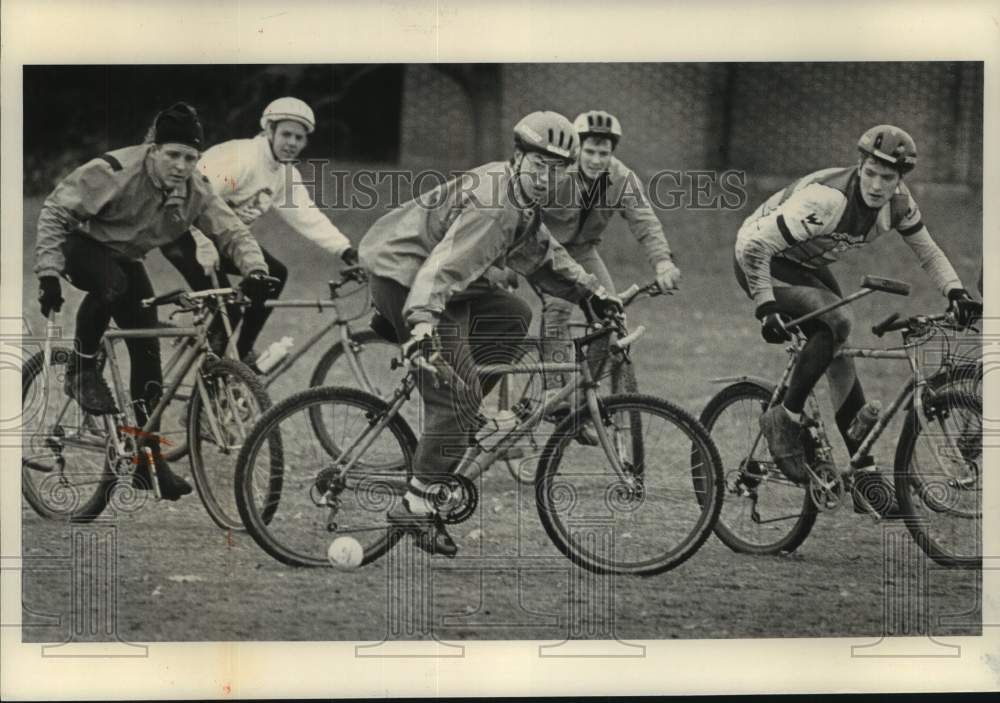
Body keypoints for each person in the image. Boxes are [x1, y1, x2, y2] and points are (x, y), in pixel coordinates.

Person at [359, 110, 621, 557]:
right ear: (518, 157)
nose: (546, 177)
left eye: (558, 169)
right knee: (456, 399)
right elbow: (442, 270)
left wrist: (590, 293)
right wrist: (422, 325)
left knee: (513, 315)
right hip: (405, 277)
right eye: (540, 164)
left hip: (445, 283)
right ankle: (417, 504)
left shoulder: (518, 195)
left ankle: (456, 422)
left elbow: (541, 251)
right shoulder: (495, 205)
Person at [734, 124, 982, 516]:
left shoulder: (899, 204)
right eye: (871, 173)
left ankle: (865, 480)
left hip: (803, 263)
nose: (878, 185)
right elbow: (755, 247)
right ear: (860, 166)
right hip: (761, 260)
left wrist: (956, 292)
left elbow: (928, 252)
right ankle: (784, 419)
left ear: (900, 179)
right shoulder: (828, 200)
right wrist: (766, 306)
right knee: (838, 320)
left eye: (888, 178)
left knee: (841, 353)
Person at [34, 102, 272, 500]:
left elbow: (231, 231)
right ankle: (81, 368)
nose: (181, 165)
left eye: (190, 157)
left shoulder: (195, 189)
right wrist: (48, 274)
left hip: (127, 258)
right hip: (84, 247)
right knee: (112, 286)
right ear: (154, 149)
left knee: (147, 354)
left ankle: (148, 455)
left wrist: (256, 269)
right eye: (173, 155)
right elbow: (57, 211)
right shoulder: (114, 171)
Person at [160, 97, 356, 364]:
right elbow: (192, 196)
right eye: (286, 134)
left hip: (223, 239)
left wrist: (345, 250)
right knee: (226, 306)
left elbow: (307, 215)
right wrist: (201, 242)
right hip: (182, 230)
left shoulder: (284, 173)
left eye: (299, 138)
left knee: (272, 275)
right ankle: (214, 378)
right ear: (269, 131)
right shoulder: (243, 159)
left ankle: (240, 359)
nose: (292, 143)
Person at [538, 110, 681, 390]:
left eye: (603, 153)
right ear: (577, 148)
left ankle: (583, 391)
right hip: (545, 250)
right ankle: (555, 392)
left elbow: (645, 222)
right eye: (589, 151)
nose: (595, 160)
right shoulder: (555, 171)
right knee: (558, 310)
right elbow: (520, 213)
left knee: (611, 316)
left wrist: (663, 262)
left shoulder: (621, 178)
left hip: (583, 251)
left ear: (612, 153)